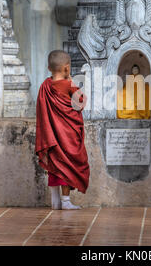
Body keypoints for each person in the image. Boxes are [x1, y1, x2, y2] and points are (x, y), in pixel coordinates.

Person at [35, 50, 90, 210]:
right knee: (66, 166)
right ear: (67, 68)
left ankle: (55, 200)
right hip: (67, 135)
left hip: (51, 135)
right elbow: (80, 102)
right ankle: (65, 201)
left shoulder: (45, 85)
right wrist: (73, 82)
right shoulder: (67, 84)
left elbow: (42, 111)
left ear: (48, 67)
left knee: (54, 166)